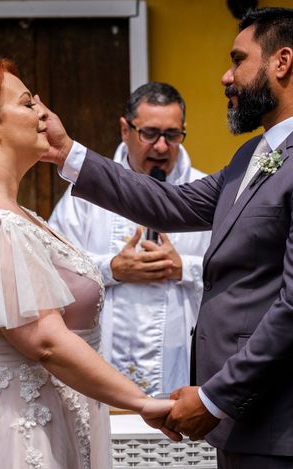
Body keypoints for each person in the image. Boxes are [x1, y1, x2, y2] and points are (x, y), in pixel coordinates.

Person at [39, 7, 293, 469]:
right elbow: (169, 205)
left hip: (285, 429)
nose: (226, 76)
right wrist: (67, 153)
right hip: (245, 425)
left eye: (239, 59)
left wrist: (215, 397)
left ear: (281, 62)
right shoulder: (254, 155)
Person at [0, 60, 177, 469]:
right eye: (28, 103)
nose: (45, 113)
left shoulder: (18, 215)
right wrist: (142, 402)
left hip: (48, 420)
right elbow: (44, 339)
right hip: (19, 436)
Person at [48, 82, 211, 398]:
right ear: (125, 129)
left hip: (181, 358)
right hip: (106, 357)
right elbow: (53, 267)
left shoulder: (205, 190)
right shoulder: (86, 194)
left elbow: (238, 271)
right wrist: (112, 268)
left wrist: (185, 269)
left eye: (172, 135)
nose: (161, 147)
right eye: (149, 134)